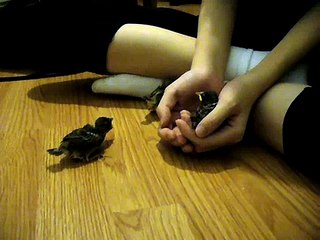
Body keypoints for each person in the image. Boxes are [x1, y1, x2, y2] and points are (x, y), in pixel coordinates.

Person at [1, 0, 319, 179]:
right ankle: (221, 75)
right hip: (241, 32)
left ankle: (181, 78)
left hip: (310, 48)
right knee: (29, 24)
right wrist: (205, 68)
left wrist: (252, 84)